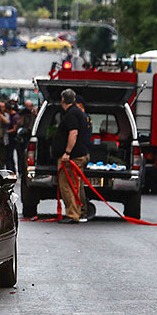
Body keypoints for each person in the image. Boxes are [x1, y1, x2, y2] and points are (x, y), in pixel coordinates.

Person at [53, 88, 90, 223]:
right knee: (73, 185)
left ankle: (72, 214)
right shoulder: (77, 112)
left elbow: (73, 133)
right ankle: (76, 212)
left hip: (72, 157)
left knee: (67, 186)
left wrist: (67, 153)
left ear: (63, 100)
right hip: (78, 154)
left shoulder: (71, 114)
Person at [75, 94, 94, 221]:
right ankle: (82, 209)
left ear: (80, 105)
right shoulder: (87, 119)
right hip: (85, 153)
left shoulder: (81, 118)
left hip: (79, 154)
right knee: (78, 183)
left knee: (77, 184)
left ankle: (81, 209)